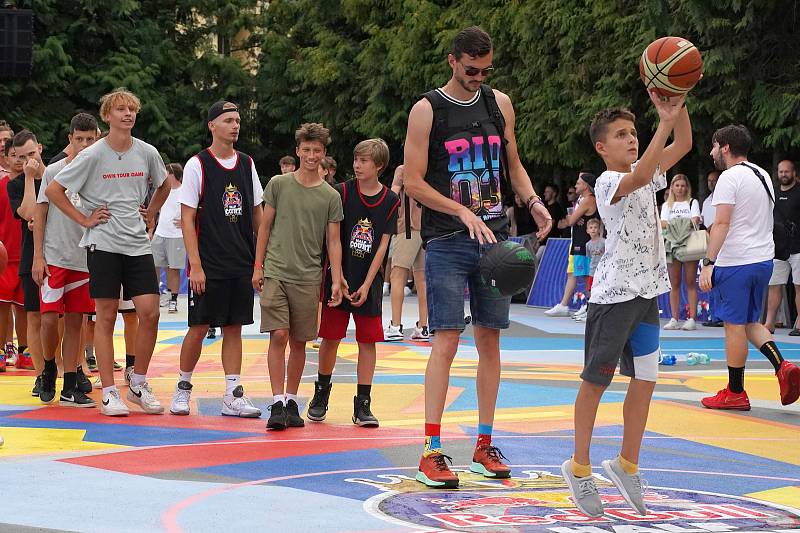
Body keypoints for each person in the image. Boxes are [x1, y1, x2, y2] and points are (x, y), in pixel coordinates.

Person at [403, 26, 552, 488]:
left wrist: (531, 201)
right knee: (446, 340)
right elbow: (412, 181)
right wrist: (461, 210)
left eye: (486, 70)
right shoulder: (427, 111)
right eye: (471, 69)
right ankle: (431, 449)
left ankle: (484, 445)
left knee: (491, 340)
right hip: (448, 239)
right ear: (452, 61)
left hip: (496, 243)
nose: (479, 76)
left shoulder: (499, 103)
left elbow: (514, 166)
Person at [562, 93, 691, 518]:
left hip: (646, 295)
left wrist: (679, 100)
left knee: (647, 381)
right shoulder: (605, 183)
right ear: (602, 147)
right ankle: (579, 467)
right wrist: (664, 122)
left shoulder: (648, 174)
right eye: (621, 135)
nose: (631, 140)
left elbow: (684, 144)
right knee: (595, 383)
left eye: (634, 133)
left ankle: (626, 464)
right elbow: (640, 174)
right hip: (614, 296)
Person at [46, 88, 170, 417]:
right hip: (103, 244)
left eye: (132, 109)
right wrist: (85, 219)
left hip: (137, 244)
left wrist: (152, 212)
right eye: (121, 109)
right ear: (107, 116)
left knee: (150, 312)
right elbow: (54, 190)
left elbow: (165, 184)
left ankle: (139, 383)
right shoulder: (92, 155)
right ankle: (110, 392)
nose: (128, 114)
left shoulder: (146, 152)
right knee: (105, 316)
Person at [169, 101, 263, 418]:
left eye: (237, 120)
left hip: (240, 260)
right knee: (198, 326)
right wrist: (195, 265)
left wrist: (259, 260)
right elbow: (187, 217)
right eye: (227, 120)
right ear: (212, 125)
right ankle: (182, 389)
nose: (235, 125)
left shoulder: (247, 163)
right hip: (208, 263)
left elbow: (257, 214)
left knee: (235, 328)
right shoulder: (198, 164)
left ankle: (232, 395)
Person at [698, 125, 800, 410]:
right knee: (749, 322)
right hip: (762, 260)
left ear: (726, 148)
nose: (711, 152)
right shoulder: (762, 174)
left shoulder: (729, 178)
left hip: (736, 262)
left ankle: (735, 391)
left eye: (714, 146)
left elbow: (722, 223)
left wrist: (709, 263)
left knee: (733, 326)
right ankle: (783, 366)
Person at [253, 122, 344, 431]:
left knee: (300, 341)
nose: (311, 155)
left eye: (316, 150)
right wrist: (258, 265)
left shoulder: (330, 196)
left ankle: (292, 400)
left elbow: (333, 241)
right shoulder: (279, 184)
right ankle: (277, 401)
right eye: (306, 150)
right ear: (297, 151)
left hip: (308, 276)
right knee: (278, 335)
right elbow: (264, 226)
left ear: (324, 154)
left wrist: (336, 278)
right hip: (277, 270)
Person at [310, 139, 399, 426]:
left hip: (367, 281)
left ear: (379, 166)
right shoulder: (342, 192)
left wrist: (369, 281)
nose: (357, 165)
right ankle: (321, 393)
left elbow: (383, 246)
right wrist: (339, 277)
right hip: (339, 277)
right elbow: (332, 237)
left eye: (364, 161)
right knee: (331, 338)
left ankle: (363, 403)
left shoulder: (390, 200)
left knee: (368, 341)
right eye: (356, 159)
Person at [32, 113, 98, 407]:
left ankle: (70, 383)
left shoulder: (100, 174)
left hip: (84, 259)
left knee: (76, 321)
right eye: (79, 139)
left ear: (97, 139)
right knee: (48, 319)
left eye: (90, 139)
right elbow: (40, 214)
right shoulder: (54, 172)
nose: (84, 145)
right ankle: (48, 366)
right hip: (55, 257)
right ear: (70, 139)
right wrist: (38, 256)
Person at [6, 131, 46, 376]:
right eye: (21, 158)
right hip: (30, 255)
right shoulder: (16, 184)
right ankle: (42, 372)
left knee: (63, 317)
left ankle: (68, 366)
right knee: (34, 315)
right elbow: (29, 212)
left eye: (31, 154)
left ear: (40, 148)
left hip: (60, 253)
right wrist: (30, 178)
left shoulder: (57, 174)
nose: (27, 161)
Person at [544, 172, 599, 319]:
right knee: (575, 274)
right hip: (578, 241)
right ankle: (571, 305)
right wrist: (576, 217)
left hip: (584, 243)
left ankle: (589, 307)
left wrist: (574, 217)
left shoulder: (588, 200)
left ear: (586, 186)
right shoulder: (583, 200)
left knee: (587, 276)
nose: (575, 185)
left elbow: (570, 220)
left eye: (579, 183)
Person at [384, 164, 429, 342]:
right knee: (422, 278)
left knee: (397, 274)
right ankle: (423, 326)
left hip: (407, 228)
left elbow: (393, 195)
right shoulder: (429, 167)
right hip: (427, 227)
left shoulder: (403, 169)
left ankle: (395, 325)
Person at [660, 173, 701, 330]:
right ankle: (674, 318)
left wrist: (674, 225)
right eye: (677, 185)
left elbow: (695, 221)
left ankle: (691, 319)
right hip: (672, 246)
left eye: (683, 185)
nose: (680, 188)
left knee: (690, 282)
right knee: (674, 283)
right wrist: (683, 224)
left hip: (689, 244)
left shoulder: (693, 202)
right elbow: (663, 223)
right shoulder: (666, 205)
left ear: (687, 187)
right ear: (672, 187)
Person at [765, 160, 800, 334]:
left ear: (794, 173)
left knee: (798, 286)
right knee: (774, 285)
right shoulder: (774, 194)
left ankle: (799, 324)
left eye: (787, 172)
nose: (784, 175)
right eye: (781, 172)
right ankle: (769, 323)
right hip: (778, 248)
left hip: (798, 247)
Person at [0, 138, 25, 372]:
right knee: (2, 307)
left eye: (24, 156)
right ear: (6, 158)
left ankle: (25, 351)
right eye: (15, 155)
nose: (19, 160)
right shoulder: (1, 186)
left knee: (26, 308)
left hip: (27, 256)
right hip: (5, 258)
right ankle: (0, 351)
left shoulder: (34, 186)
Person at [152, 162, 185, 314]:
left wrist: (185, 221)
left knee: (173, 269)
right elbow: (154, 210)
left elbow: (196, 210)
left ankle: (173, 300)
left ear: (173, 175)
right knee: (153, 266)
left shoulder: (185, 191)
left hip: (176, 235)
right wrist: (151, 229)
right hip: (160, 233)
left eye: (166, 174)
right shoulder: (162, 190)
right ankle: (155, 296)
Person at [700, 170, 722, 327]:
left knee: (720, 279)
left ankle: (720, 315)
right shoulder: (707, 201)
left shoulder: (724, 197)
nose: (712, 183)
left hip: (722, 243)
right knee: (711, 280)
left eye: (715, 180)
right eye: (709, 180)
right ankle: (714, 315)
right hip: (709, 243)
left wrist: (714, 227)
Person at [576, 217, 605, 322]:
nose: (593, 229)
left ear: (599, 229)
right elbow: (590, 258)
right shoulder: (588, 245)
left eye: (595, 227)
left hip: (602, 272)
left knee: (600, 291)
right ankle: (589, 313)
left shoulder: (603, 242)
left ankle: (599, 313)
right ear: (587, 230)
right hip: (592, 272)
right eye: (591, 228)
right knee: (590, 292)